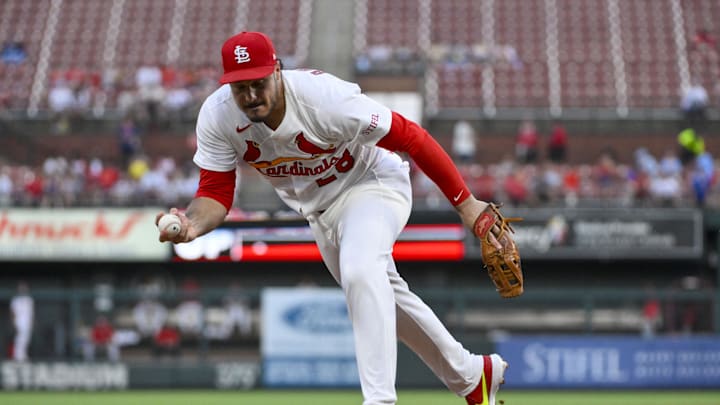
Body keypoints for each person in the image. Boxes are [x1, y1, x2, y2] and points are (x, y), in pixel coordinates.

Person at [157, 31, 508, 405]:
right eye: (240, 87)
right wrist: (193, 224)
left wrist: (466, 204)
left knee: (360, 271)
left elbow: (412, 137)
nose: (251, 95)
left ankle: (379, 400)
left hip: (371, 185)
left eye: (258, 82)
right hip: (320, 213)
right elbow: (215, 192)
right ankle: (472, 376)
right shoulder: (218, 115)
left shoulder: (324, 100)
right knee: (382, 296)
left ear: (277, 70)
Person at [10, 281, 34, 362]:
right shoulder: (15, 300)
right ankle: (17, 356)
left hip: (27, 321)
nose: (23, 289)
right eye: (21, 288)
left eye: (24, 287)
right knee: (19, 338)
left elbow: (31, 313)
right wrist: (14, 322)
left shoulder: (29, 299)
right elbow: (13, 312)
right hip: (19, 321)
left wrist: (31, 322)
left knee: (26, 338)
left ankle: (23, 355)